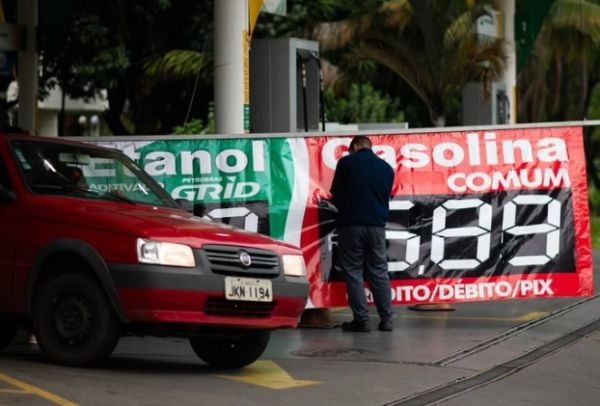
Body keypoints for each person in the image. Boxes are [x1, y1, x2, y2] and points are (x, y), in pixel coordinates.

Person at [330, 135, 395, 332]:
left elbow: (336, 193)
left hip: (351, 225)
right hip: (376, 226)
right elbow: (386, 196)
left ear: (355, 147)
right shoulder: (386, 169)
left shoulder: (346, 163)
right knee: (379, 271)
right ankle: (387, 320)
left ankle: (362, 320)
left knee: (353, 271)